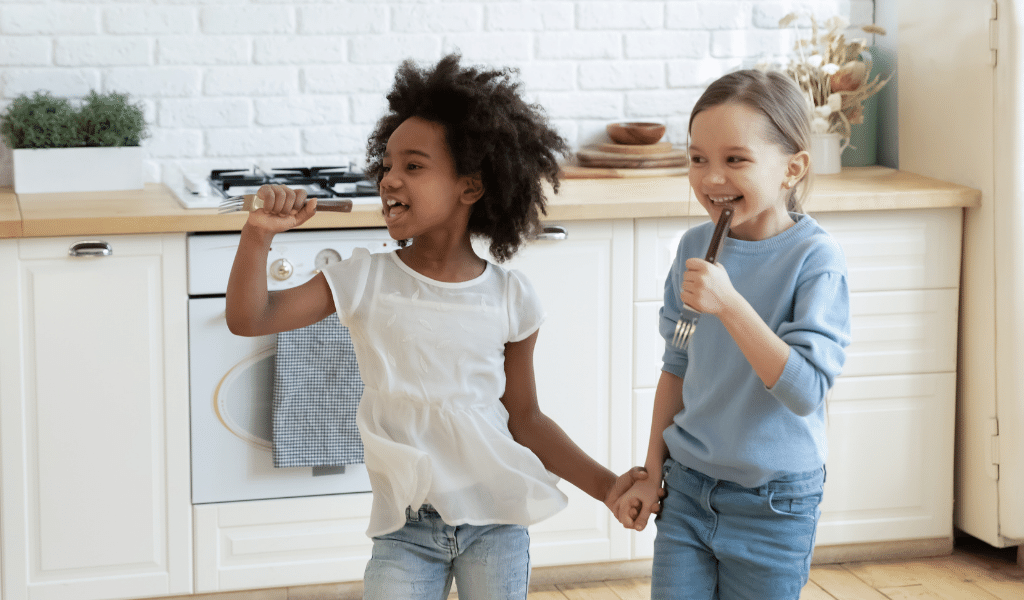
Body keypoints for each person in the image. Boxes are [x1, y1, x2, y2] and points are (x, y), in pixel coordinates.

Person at [225, 53, 649, 600]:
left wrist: (609, 486)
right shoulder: (360, 278)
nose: (388, 179)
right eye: (387, 164)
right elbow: (249, 319)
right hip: (407, 528)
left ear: (470, 188)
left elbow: (525, 418)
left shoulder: (511, 297)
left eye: (413, 166)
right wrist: (258, 234)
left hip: (495, 518)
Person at [613, 69, 852, 600]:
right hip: (688, 491)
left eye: (735, 159)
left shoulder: (815, 260)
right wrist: (653, 475)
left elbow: (805, 390)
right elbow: (675, 369)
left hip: (775, 505)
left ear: (793, 168)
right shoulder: (694, 248)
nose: (711, 178)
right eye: (698, 159)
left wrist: (731, 306)